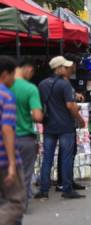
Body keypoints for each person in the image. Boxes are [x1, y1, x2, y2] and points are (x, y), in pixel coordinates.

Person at [35, 56, 85, 199]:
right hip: (65, 126)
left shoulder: (43, 84)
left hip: (49, 125)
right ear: (58, 68)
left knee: (47, 158)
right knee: (66, 158)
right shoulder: (64, 84)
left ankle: (44, 190)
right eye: (65, 66)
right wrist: (80, 119)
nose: (68, 69)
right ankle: (67, 189)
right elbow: (70, 105)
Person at [9, 58, 43, 210]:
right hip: (24, 137)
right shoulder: (30, 89)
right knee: (25, 172)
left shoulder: (4, 87)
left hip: (5, 137)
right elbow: (37, 116)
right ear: (28, 68)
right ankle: (21, 204)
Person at [0, 56, 25, 225]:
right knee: (16, 203)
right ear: (5, 74)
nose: (14, 80)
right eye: (12, 75)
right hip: (3, 157)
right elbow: (7, 128)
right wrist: (11, 164)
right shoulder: (7, 96)